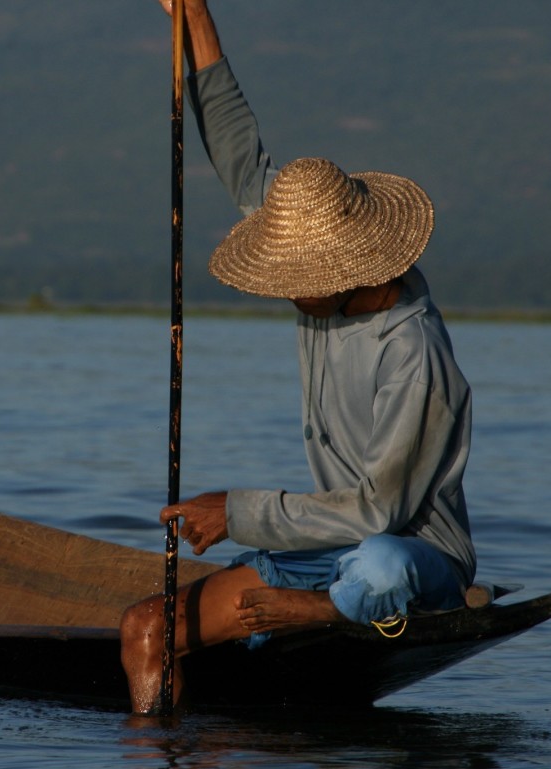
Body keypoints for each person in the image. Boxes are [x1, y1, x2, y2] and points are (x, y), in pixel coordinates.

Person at [120, 0, 476, 715]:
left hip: (413, 556)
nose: (285, 293)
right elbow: (237, 151)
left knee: (379, 562)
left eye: (296, 283)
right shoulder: (326, 284)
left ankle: (316, 612)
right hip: (320, 548)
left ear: (347, 273)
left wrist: (240, 512)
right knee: (144, 629)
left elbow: (381, 509)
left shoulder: (414, 356)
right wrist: (194, 15)